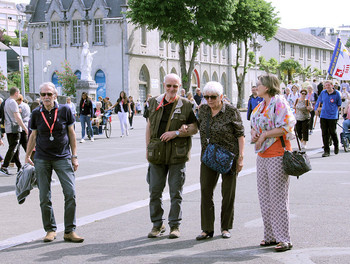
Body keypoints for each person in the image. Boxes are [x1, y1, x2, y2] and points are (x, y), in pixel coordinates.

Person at [25, 82, 83, 243]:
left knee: (70, 193)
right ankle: (50, 229)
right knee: (44, 196)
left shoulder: (65, 110)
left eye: (49, 94)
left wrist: (74, 156)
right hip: (42, 158)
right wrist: (27, 156)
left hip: (63, 157)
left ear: (55, 95)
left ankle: (70, 230)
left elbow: (71, 133)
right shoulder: (36, 113)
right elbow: (33, 136)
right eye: (43, 94)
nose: (46, 97)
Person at [146, 73, 198, 239]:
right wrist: (148, 148)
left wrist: (176, 133)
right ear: (164, 85)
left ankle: (174, 225)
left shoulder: (186, 104)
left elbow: (195, 128)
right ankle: (157, 224)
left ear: (180, 87)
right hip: (157, 154)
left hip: (177, 154)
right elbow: (149, 126)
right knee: (154, 191)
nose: (171, 89)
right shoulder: (154, 102)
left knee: (176, 192)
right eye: (169, 86)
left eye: (175, 86)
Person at [250, 74, 296, 252]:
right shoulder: (261, 105)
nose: (256, 87)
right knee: (265, 198)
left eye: (259, 84)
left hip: (278, 153)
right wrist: (255, 132)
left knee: (278, 198)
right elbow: (256, 124)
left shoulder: (279, 102)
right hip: (262, 154)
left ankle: (284, 238)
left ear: (267, 86)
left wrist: (263, 135)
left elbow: (286, 126)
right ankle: (270, 236)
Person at [196, 81, 244, 241]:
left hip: (229, 157)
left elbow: (240, 134)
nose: (209, 100)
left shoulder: (231, 111)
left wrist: (241, 157)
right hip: (209, 156)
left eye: (213, 97)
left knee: (228, 193)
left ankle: (225, 227)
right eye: (206, 97)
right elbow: (196, 126)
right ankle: (207, 229)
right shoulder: (202, 110)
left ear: (221, 97)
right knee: (205, 191)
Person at [0, 87, 28, 175]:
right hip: (14, 128)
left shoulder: (7, 101)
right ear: (16, 93)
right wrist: (25, 128)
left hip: (9, 127)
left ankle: (19, 165)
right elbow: (17, 117)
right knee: (14, 147)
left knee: (14, 147)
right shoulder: (13, 102)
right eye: (19, 93)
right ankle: (4, 166)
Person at [315, 80, 342, 157]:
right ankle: (326, 150)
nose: (327, 87)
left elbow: (339, 104)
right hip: (323, 115)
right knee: (324, 133)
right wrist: (316, 109)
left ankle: (336, 145)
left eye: (328, 85)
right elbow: (319, 101)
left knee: (332, 132)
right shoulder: (323, 93)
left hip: (332, 116)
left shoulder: (336, 94)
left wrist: (334, 112)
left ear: (332, 85)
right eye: (326, 85)